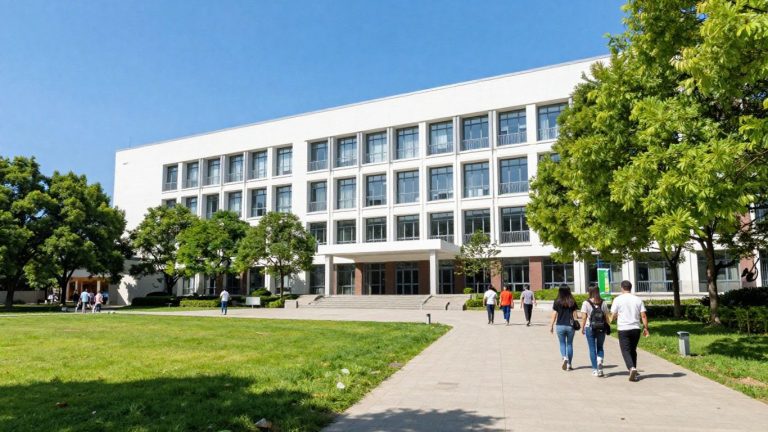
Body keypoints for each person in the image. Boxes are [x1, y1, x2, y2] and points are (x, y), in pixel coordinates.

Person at [610, 280, 649, 382]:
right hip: (636, 328)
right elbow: (643, 315)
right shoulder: (638, 299)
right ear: (630, 288)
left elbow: (613, 314)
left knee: (625, 350)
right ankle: (634, 372)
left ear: (622, 288)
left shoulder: (617, 299)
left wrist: (611, 320)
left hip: (623, 328)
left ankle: (631, 368)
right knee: (633, 350)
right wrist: (646, 328)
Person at [580, 284, 610, 377]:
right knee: (600, 347)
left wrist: (582, 327)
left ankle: (594, 369)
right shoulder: (603, 302)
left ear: (590, 292)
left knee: (592, 349)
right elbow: (607, 316)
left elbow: (584, 317)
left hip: (590, 327)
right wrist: (608, 326)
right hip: (601, 328)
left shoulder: (586, 303)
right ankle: (600, 361)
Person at [549, 285, 579, 371]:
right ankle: (569, 364)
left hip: (560, 325)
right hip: (570, 326)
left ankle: (564, 357)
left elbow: (554, 314)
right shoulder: (572, 301)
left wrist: (551, 325)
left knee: (562, 343)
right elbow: (575, 315)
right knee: (569, 344)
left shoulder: (557, 301)